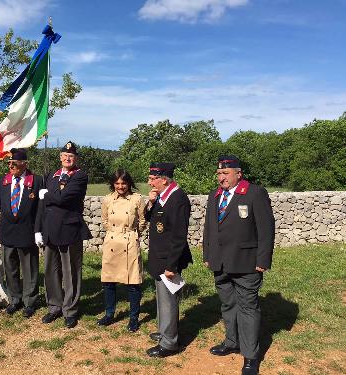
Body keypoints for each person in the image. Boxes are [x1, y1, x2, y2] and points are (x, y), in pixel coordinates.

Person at [203, 155, 275, 375]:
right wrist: (208, 254)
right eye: (219, 174)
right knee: (227, 305)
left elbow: (266, 230)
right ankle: (231, 341)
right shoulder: (215, 196)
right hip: (220, 262)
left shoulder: (254, 193)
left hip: (246, 263)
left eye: (225, 173)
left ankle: (250, 355)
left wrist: (263, 260)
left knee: (247, 309)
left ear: (238, 173)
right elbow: (209, 228)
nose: (221, 178)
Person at [35, 141, 91, 328]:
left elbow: (63, 198)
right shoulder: (51, 175)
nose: (68, 158)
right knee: (51, 271)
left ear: (76, 159)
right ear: (60, 157)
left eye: (71, 156)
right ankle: (54, 307)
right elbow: (42, 205)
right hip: (50, 229)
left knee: (71, 273)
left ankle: (70, 310)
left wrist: (47, 195)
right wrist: (38, 229)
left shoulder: (80, 176)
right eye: (65, 155)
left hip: (69, 229)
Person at [144, 162, 193, 358]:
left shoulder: (178, 198)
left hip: (169, 260)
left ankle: (170, 342)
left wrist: (172, 265)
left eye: (152, 179)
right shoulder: (162, 197)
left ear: (163, 179)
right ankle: (165, 330)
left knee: (168, 301)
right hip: (159, 257)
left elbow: (179, 235)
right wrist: (150, 202)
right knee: (162, 300)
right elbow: (150, 218)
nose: (149, 182)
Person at [97, 169, 146, 332]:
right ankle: (109, 314)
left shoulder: (137, 199)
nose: (120, 186)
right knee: (109, 281)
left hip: (129, 242)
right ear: (113, 184)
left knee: (133, 283)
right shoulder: (107, 200)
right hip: (111, 241)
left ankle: (133, 318)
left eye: (123, 183)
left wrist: (132, 235)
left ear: (129, 183)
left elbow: (142, 222)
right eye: (117, 183)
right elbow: (104, 220)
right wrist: (113, 232)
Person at [0, 148, 43, 318]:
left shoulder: (37, 181)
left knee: (29, 268)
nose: (11, 166)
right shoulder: (3, 181)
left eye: (14, 163)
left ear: (24, 164)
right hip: (8, 230)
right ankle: (14, 299)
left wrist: (38, 231)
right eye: (9, 163)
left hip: (27, 230)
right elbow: (1, 205)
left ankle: (30, 301)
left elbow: (40, 209)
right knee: (10, 267)